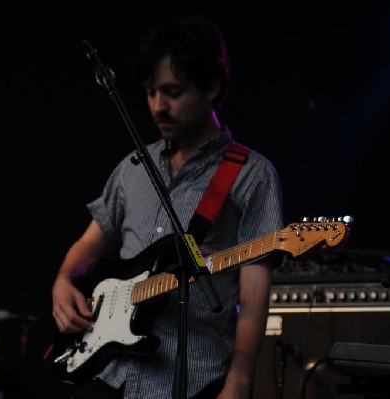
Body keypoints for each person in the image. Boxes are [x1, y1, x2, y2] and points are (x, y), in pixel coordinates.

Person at [51, 15, 284, 399]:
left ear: (211, 86)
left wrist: (239, 382)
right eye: (150, 92)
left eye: (173, 92)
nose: (158, 106)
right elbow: (85, 249)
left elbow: (254, 297)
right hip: (109, 375)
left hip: (195, 377)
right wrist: (61, 282)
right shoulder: (132, 167)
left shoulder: (252, 174)